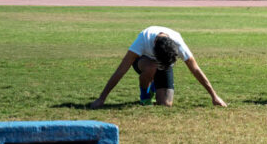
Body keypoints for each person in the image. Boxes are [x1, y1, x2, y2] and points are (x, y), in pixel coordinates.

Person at [89, 26, 227, 108]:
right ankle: (145, 95)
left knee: (166, 104)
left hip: (162, 65)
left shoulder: (177, 42)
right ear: (154, 45)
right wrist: (102, 98)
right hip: (144, 63)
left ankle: (155, 85)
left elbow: (195, 69)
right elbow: (121, 69)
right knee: (152, 66)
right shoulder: (144, 38)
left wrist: (214, 96)